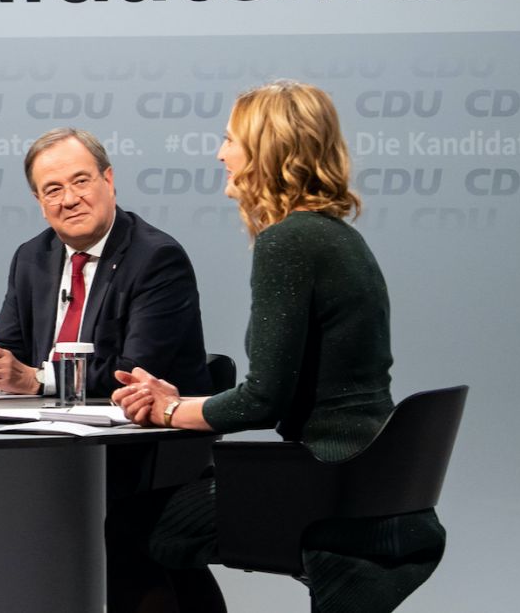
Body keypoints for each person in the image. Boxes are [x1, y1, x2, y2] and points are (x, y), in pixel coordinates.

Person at [112, 80, 447, 613]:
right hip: (371, 476)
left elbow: (261, 402)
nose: (220, 153)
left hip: (329, 483)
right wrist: (176, 401)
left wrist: (169, 408)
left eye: (229, 139)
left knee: (131, 525)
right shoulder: (336, 236)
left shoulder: (287, 242)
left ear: (268, 151)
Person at [0, 127, 212, 399]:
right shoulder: (31, 257)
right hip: (46, 428)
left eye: (81, 182)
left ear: (108, 181)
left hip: (143, 433)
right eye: (53, 190)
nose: (70, 200)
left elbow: (134, 373)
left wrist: (37, 379)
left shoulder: (156, 258)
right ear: (39, 202)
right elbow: (13, 356)